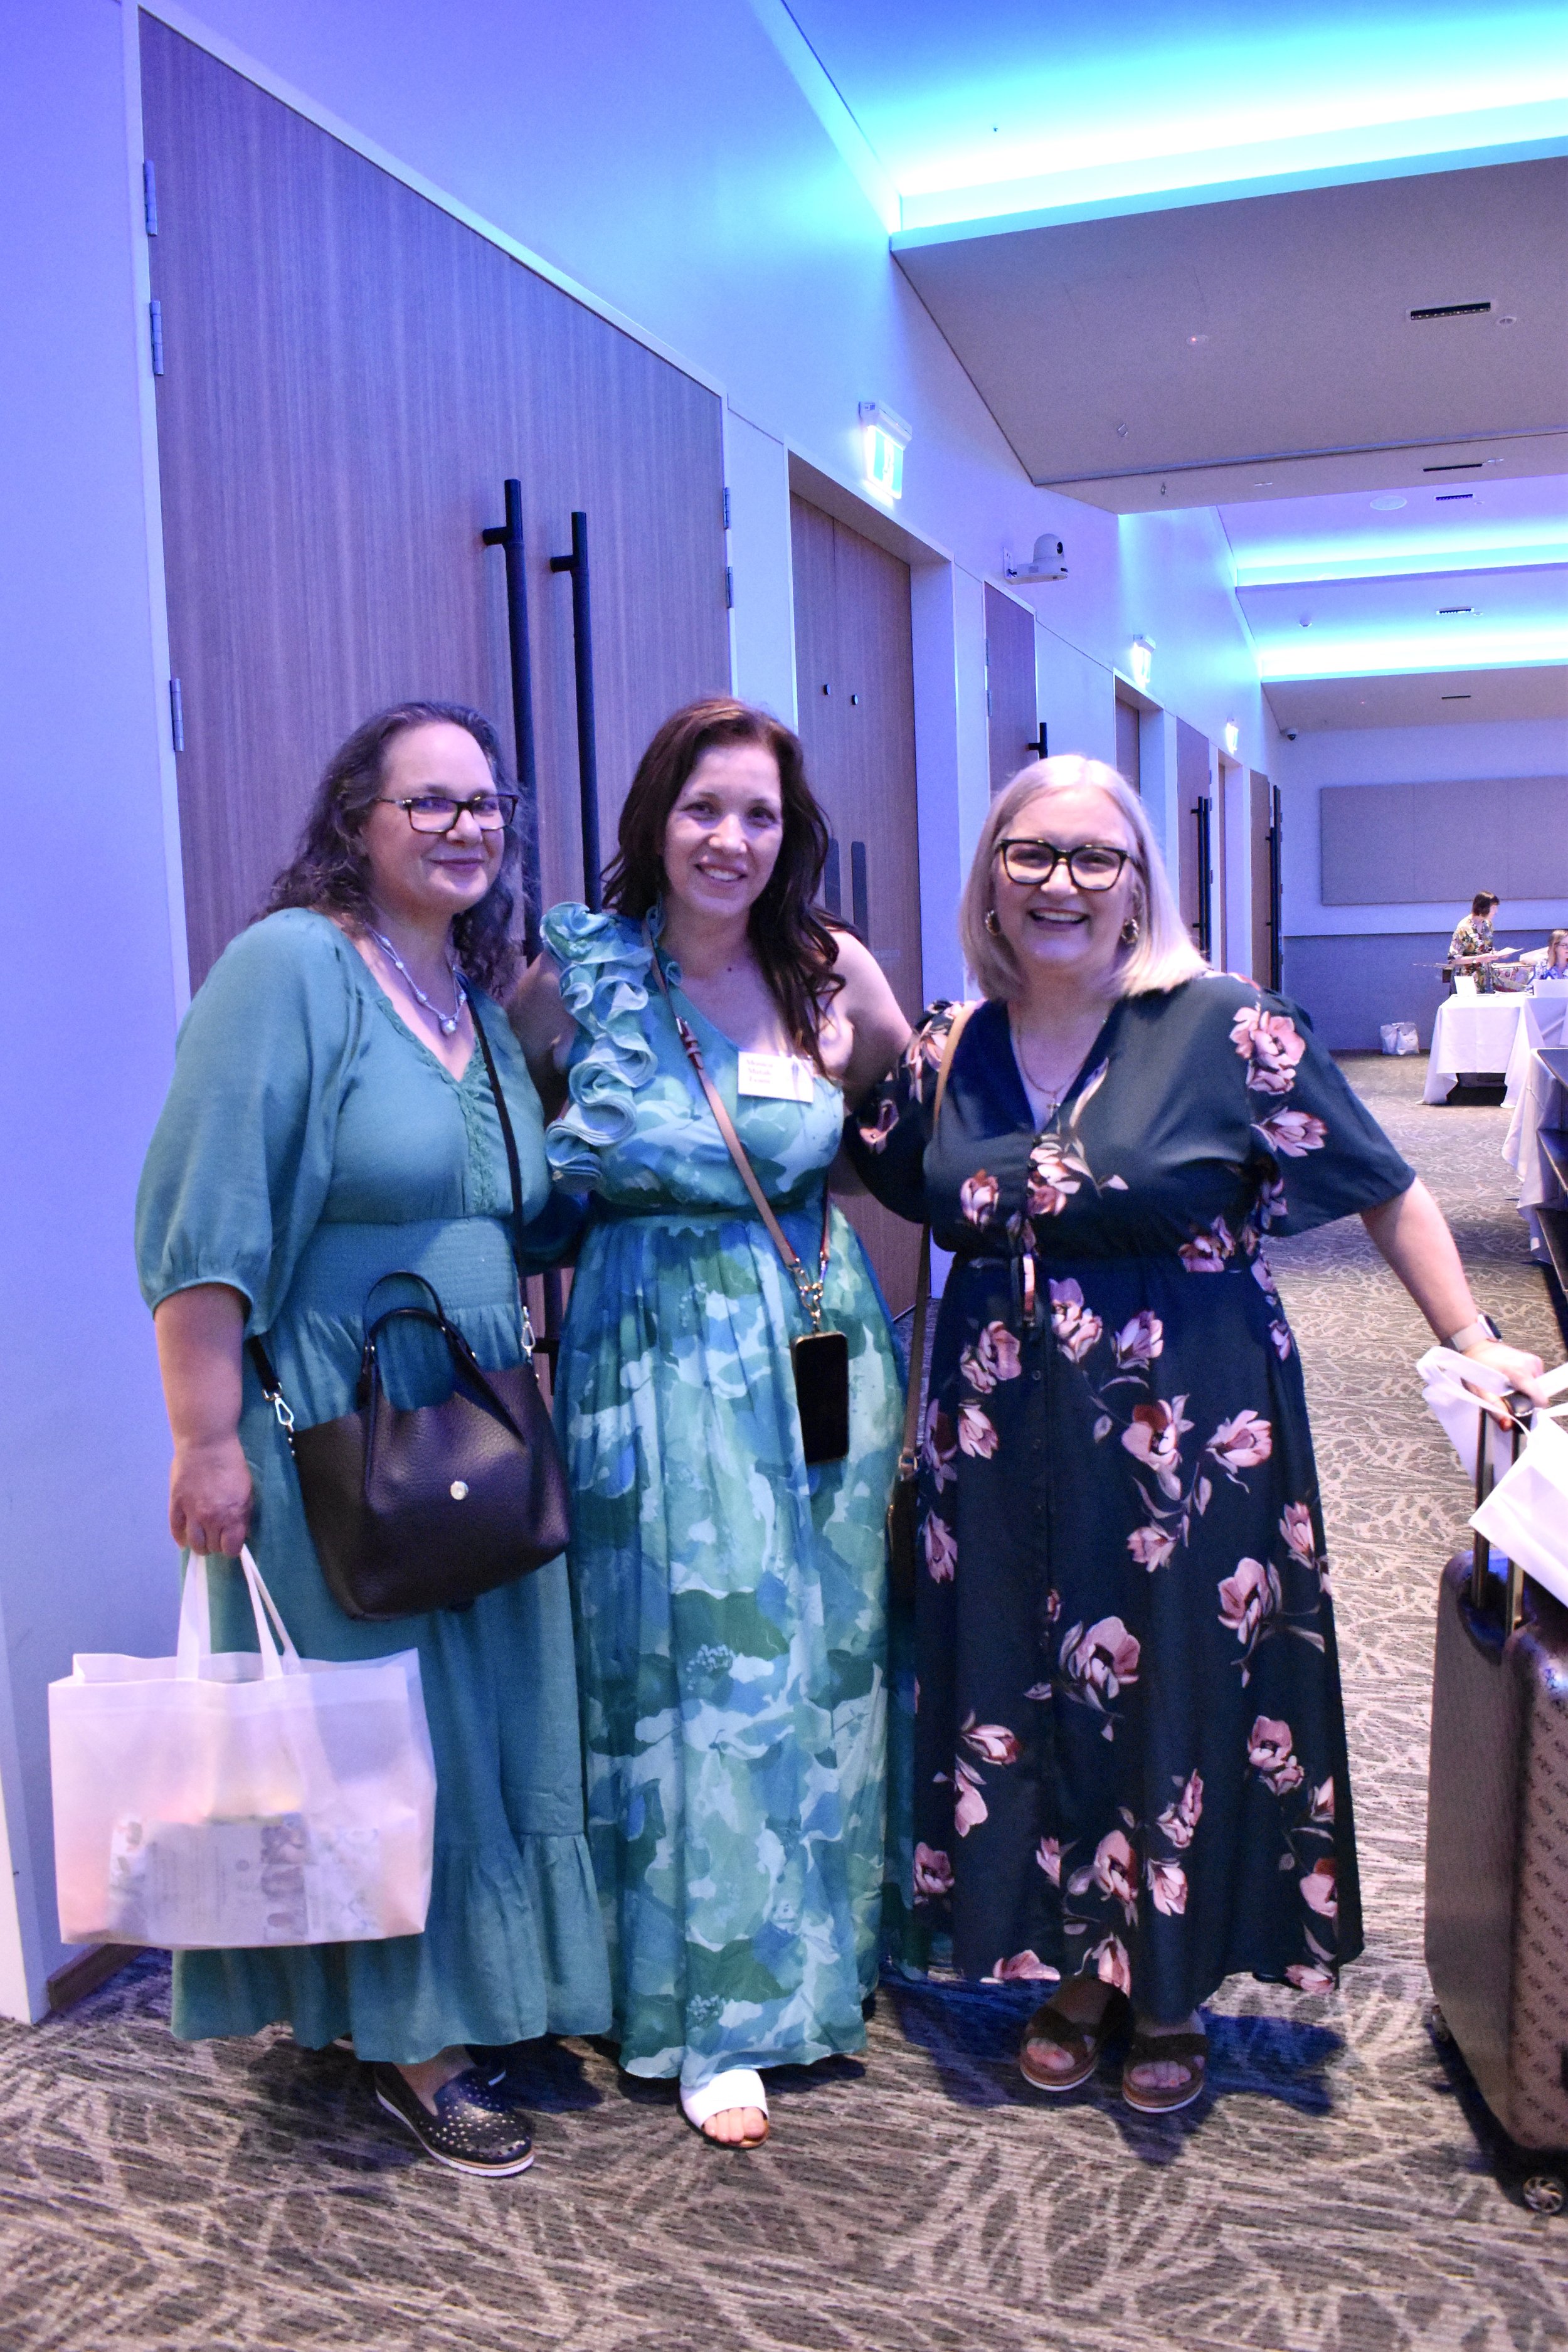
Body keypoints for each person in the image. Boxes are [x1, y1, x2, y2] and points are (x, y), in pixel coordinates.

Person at [845, 755, 1552, 2115]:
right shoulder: (947, 1045)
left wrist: (1469, 1339)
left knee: (1177, 1669)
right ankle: (1072, 1963)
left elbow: (1385, 1186)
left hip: (1190, 1419)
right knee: (1024, 1679)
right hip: (997, 1430)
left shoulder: (1225, 1025)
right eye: (1029, 854)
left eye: (1092, 859)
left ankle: (1164, 1978)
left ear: (1136, 886)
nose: (1059, 883)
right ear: (989, 872)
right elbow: (868, 1163)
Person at [135, 701, 611, 2176]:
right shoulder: (288, 969)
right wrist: (203, 1437)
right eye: (430, 801)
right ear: (359, 820)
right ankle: (410, 2036)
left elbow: (511, 1208)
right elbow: (202, 1220)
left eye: (487, 803)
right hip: (328, 1417)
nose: (467, 826)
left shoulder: (467, 988)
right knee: (373, 1734)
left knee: (485, 1720)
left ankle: (477, 1986)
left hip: (470, 1407)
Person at [510, 697, 909, 2148]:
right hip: (647, 1349)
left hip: (815, 1334)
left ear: (789, 833)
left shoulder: (833, 973)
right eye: (702, 808)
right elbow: (520, 1180)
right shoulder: (582, 981)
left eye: (758, 813)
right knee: (679, 1662)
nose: (729, 839)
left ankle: (827, 1952)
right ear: (652, 822)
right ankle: (703, 2001)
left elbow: (895, 1139)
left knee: (827, 1641)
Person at [1448, 891, 1508, 990]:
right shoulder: (1464, 928)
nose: (1496, 911)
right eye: (1493, 908)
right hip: (1467, 980)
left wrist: (1497, 954)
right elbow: (1454, 959)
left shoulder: (1487, 924)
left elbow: (1486, 949)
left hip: (1485, 978)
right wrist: (1479, 959)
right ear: (1483, 907)